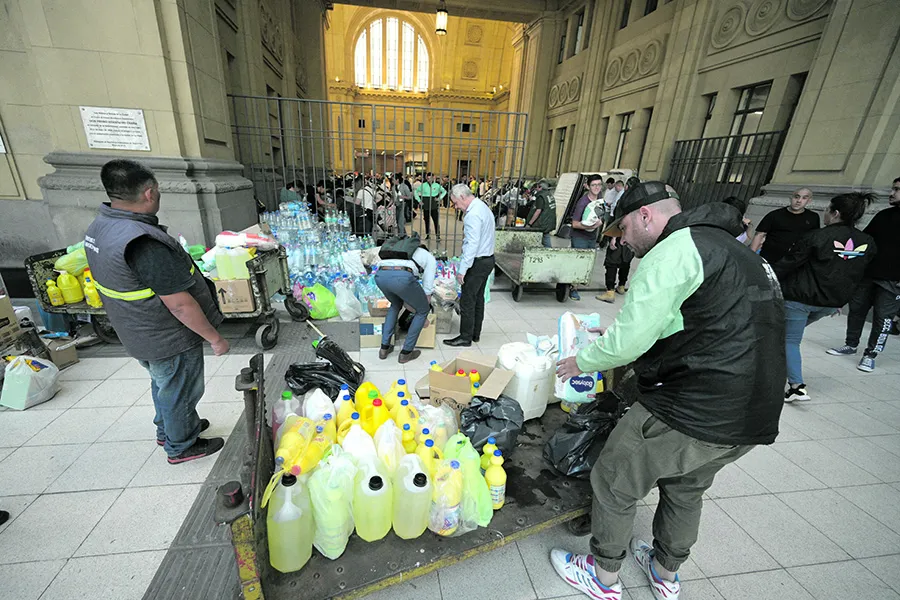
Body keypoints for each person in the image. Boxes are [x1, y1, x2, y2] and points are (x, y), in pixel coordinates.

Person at [553, 181, 785, 600]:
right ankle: (665, 573)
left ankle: (603, 577)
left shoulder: (672, 250)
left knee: (613, 480)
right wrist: (632, 332)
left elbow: (628, 344)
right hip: (755, 414)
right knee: (685, 487)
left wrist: (580, 362)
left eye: (623, 228)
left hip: (691, 407)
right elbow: (710, 320)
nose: (622, 240)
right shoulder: (737, 251)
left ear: (645, 216)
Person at [85, 160, 228, 464]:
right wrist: (214, 338)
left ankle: (170, 429)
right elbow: (179, 304)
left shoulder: (101, 226)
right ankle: (181, 445)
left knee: (163, 382)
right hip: (165, 334)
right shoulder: (143, 242)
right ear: (149, 193)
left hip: (134, 329)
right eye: (158, 190)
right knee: (180, 389)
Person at [774, 193, 876, 401]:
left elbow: (789, 263)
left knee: (789, 340)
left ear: (835, 213)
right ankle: (771, 368)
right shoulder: (867, 242)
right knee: (783, 336)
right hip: (831, 303)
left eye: (828, 209)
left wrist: (766, 275)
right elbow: (859, 273)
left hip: (801, 299)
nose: (825, 213)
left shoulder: (816, 236)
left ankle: (796, 387)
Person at [828, 177, 900, 372]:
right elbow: (865, 242)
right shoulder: (884, 215)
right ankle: (851, 344)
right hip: (868, 274)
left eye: (897, 190)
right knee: (857, 309)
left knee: (883, 318)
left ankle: (871, 354)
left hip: (893, 282)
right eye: (893, 188)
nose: (892, 193)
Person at [444, 184, 495, 347]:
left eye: (456, 203)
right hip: (488, 260)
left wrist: (462, 270)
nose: (456, 207)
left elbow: (472, 244)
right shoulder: (482, 207)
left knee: (467, 300)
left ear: (462, 197)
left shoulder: (472, 215)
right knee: (478, 298)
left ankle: (465, 337)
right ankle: (475, 334)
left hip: (477, 262)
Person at [375, 238, 437, 364]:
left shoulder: (397, 251)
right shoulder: (429, 257)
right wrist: (425, 303)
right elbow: (428, 285)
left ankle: (384, 348)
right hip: (402, 277)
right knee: (422, 310)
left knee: (395, 304)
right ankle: (406, 352)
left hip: (381, 276)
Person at [750, 188, 819, 263]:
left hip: (795, 262)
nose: (799, 201)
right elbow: (759, 235)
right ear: (791, 198)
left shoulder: (813, 217)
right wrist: (750, 256)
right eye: (796, 197)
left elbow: (814, 238)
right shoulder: (775, 215)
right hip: (770, 258)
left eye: (804, 198)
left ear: (809, 201)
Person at [597, 179, 637, 303]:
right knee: (626, 262)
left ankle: (610, 292)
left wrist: (613, 238)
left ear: (626, 187)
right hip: (633, 238)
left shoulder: (624, 200)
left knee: (612, 262)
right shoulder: (641, 202)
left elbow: (619, 220)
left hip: (621, 236)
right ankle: (621, 286)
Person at [568, 175, 605, 300]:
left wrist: (599, 223)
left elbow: (600, 214)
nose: (596, 187)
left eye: (599, 185)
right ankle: (573, 288)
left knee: (587, 262)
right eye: (593, 185)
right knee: (579, 262)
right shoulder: (583, 202)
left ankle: (578, 280)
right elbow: (575, 223)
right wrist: (590, 226)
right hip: (580, 237)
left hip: (591, 237)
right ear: (588, 186)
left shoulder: (599, 199)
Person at [414, 172, 446, 242]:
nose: (429, 180)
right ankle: (428, 234)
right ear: (426, 178)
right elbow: (415, 192)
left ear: (433, 177)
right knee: (426, 220)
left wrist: (439, 198)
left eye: (430, 178)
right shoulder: (423, 185)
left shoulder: (437, 185)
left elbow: (444, 191)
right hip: (425, 203)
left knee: (436, 221)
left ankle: (438, 235)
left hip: (434, 204)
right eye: (428, 178)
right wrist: (419, 200)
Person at [527, 179, 557, 248]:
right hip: (549, 221)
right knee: (546, 237)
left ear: (540, 187)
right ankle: (549, 253)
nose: (536, 189)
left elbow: (538, 211)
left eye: (537, 187)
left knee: (539, 239)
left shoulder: (541, 196)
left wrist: (530, 224)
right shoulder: (549, 195)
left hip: (542, 223)